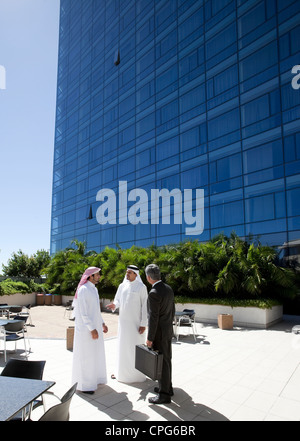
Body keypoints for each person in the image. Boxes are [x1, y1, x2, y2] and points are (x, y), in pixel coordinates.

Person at [106, 265, 148, 383]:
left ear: (136, 274)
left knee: (134, 348)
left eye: (130, 272)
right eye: (127, 272)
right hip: (123, 325)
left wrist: (143, 323)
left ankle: (136, 375)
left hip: (136, 325)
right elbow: (117, 300)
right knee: (123, 347)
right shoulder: (122, 286)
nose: (127, 274)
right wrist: (114, 305)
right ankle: (122, 373)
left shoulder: (141, 287)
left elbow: (145, 306)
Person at [72, 267, 108, 394]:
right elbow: (83, 312)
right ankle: (85, 385)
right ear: (90, 276)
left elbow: (96, 311)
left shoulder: (94, 289)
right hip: (85, 330)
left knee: (95, 354)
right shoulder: (83, 290)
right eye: (97, 275)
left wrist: (102, 323)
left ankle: (95, 379)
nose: (99, 277)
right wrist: (92, 329)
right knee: (86, 356)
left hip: (95, 327)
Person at [145, 263, 175, 404]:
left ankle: (164, 395)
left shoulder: (153, 293)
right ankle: (167, 387)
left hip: (159, 333)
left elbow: (153, 317)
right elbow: (172, 312)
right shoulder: (168, 289)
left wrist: (150, 338)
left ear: (149, 277)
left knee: (162, 363)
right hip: (167, 331)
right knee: (167, 360)